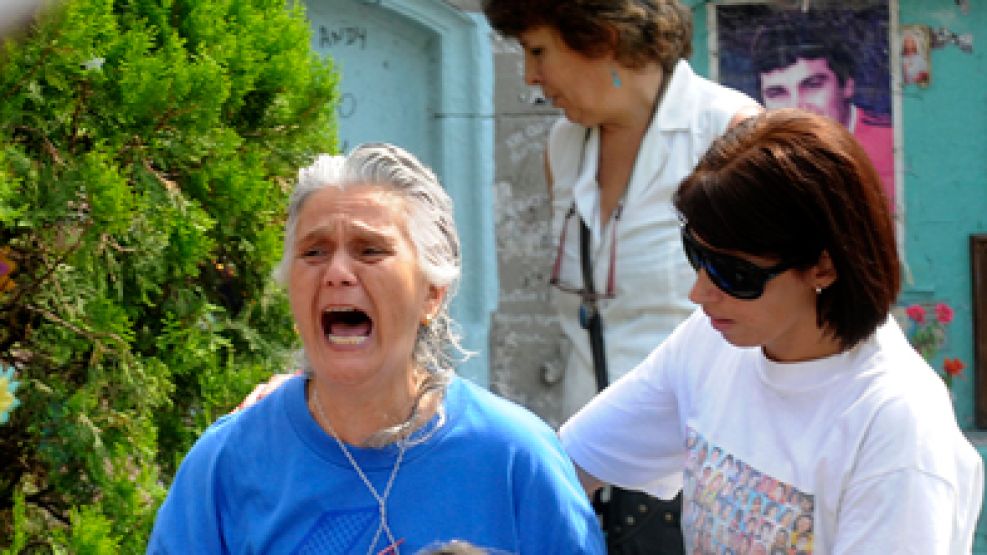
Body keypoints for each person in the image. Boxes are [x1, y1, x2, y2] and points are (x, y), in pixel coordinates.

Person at [559, 109, 983, 553]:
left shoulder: (896, 425)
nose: (699, 292)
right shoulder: (711, 341)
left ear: (824, 266)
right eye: (697, 255)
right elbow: (566, 463)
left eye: (733, 272)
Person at [147, 144, 605, 554]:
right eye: (314, 252)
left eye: (370, 251)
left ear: (432, 294)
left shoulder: (514, 459)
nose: (337, 273)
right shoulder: (226, 464)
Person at [482, 1, 760, 550]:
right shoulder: (563, 146)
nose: (530, 76)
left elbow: (771, 316)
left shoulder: (727, 131)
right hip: (589, 474)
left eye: (538, 51)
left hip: (699, 475)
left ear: (602, 38)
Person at [750, 18, 896, 208]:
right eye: (777, 93)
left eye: (812, 85)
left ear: (847, 84)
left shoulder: (895, 145)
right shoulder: (756, 161)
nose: (796, 106)